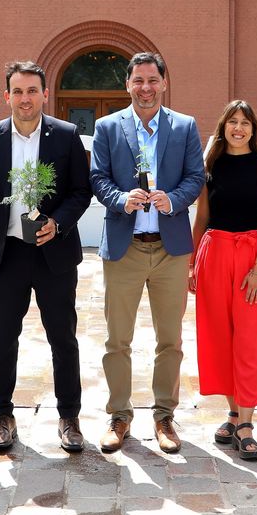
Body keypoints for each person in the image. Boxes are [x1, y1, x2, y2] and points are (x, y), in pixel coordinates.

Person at [0, 61, 92, 454]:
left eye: (32, 91)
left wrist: (58, 223)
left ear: (45, 94)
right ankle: (1, 417)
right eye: (18, 92)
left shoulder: (67, 135)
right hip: (7, 255)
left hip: (53, 253)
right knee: (3, 338)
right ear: (7, 96)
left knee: (63, 337)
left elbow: (80, 191)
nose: (25, 99)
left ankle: (69, 417)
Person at [90, 51, 205, 454]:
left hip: (170, 249)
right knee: (117, 340)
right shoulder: (107, 127)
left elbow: (195, 177)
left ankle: (164, 416)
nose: (145, 88)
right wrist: (121, 198)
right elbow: (97, 177)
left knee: (169, 340)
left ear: (164, 82)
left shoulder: (185, 127)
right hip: (124, 248)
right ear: (128, 85)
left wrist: (172, 199)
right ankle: (119, 416)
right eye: (138, 81)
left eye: (152, 80)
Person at [189, 100, 257, 461]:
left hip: (250, 257)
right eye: (232, 122)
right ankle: (232, 413)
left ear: (253, 130)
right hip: (213, 253)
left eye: (245, 123)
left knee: (250, 339)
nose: (238, 128)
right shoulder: (208, 166)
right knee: (220, 336)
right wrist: (192, 264)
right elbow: (202, 218)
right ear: (223, 126)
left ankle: (246, 423)